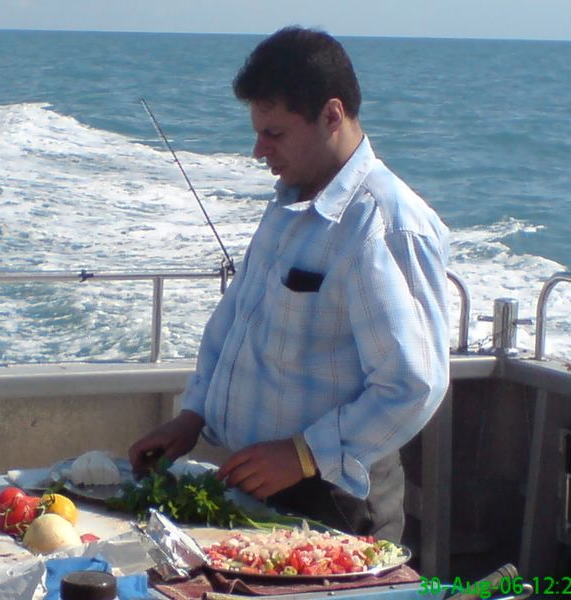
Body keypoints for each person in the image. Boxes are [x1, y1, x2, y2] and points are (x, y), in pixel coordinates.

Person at [129, 26, 450, 542]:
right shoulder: (289, 203)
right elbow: (235, 322)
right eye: (258, 133)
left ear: (331, 115)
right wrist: (191, 417)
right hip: (258, 486)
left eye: (274, 134)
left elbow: (414, 385)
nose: (259, 150)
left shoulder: (384, 224)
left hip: (336, 502)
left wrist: (303, 455)